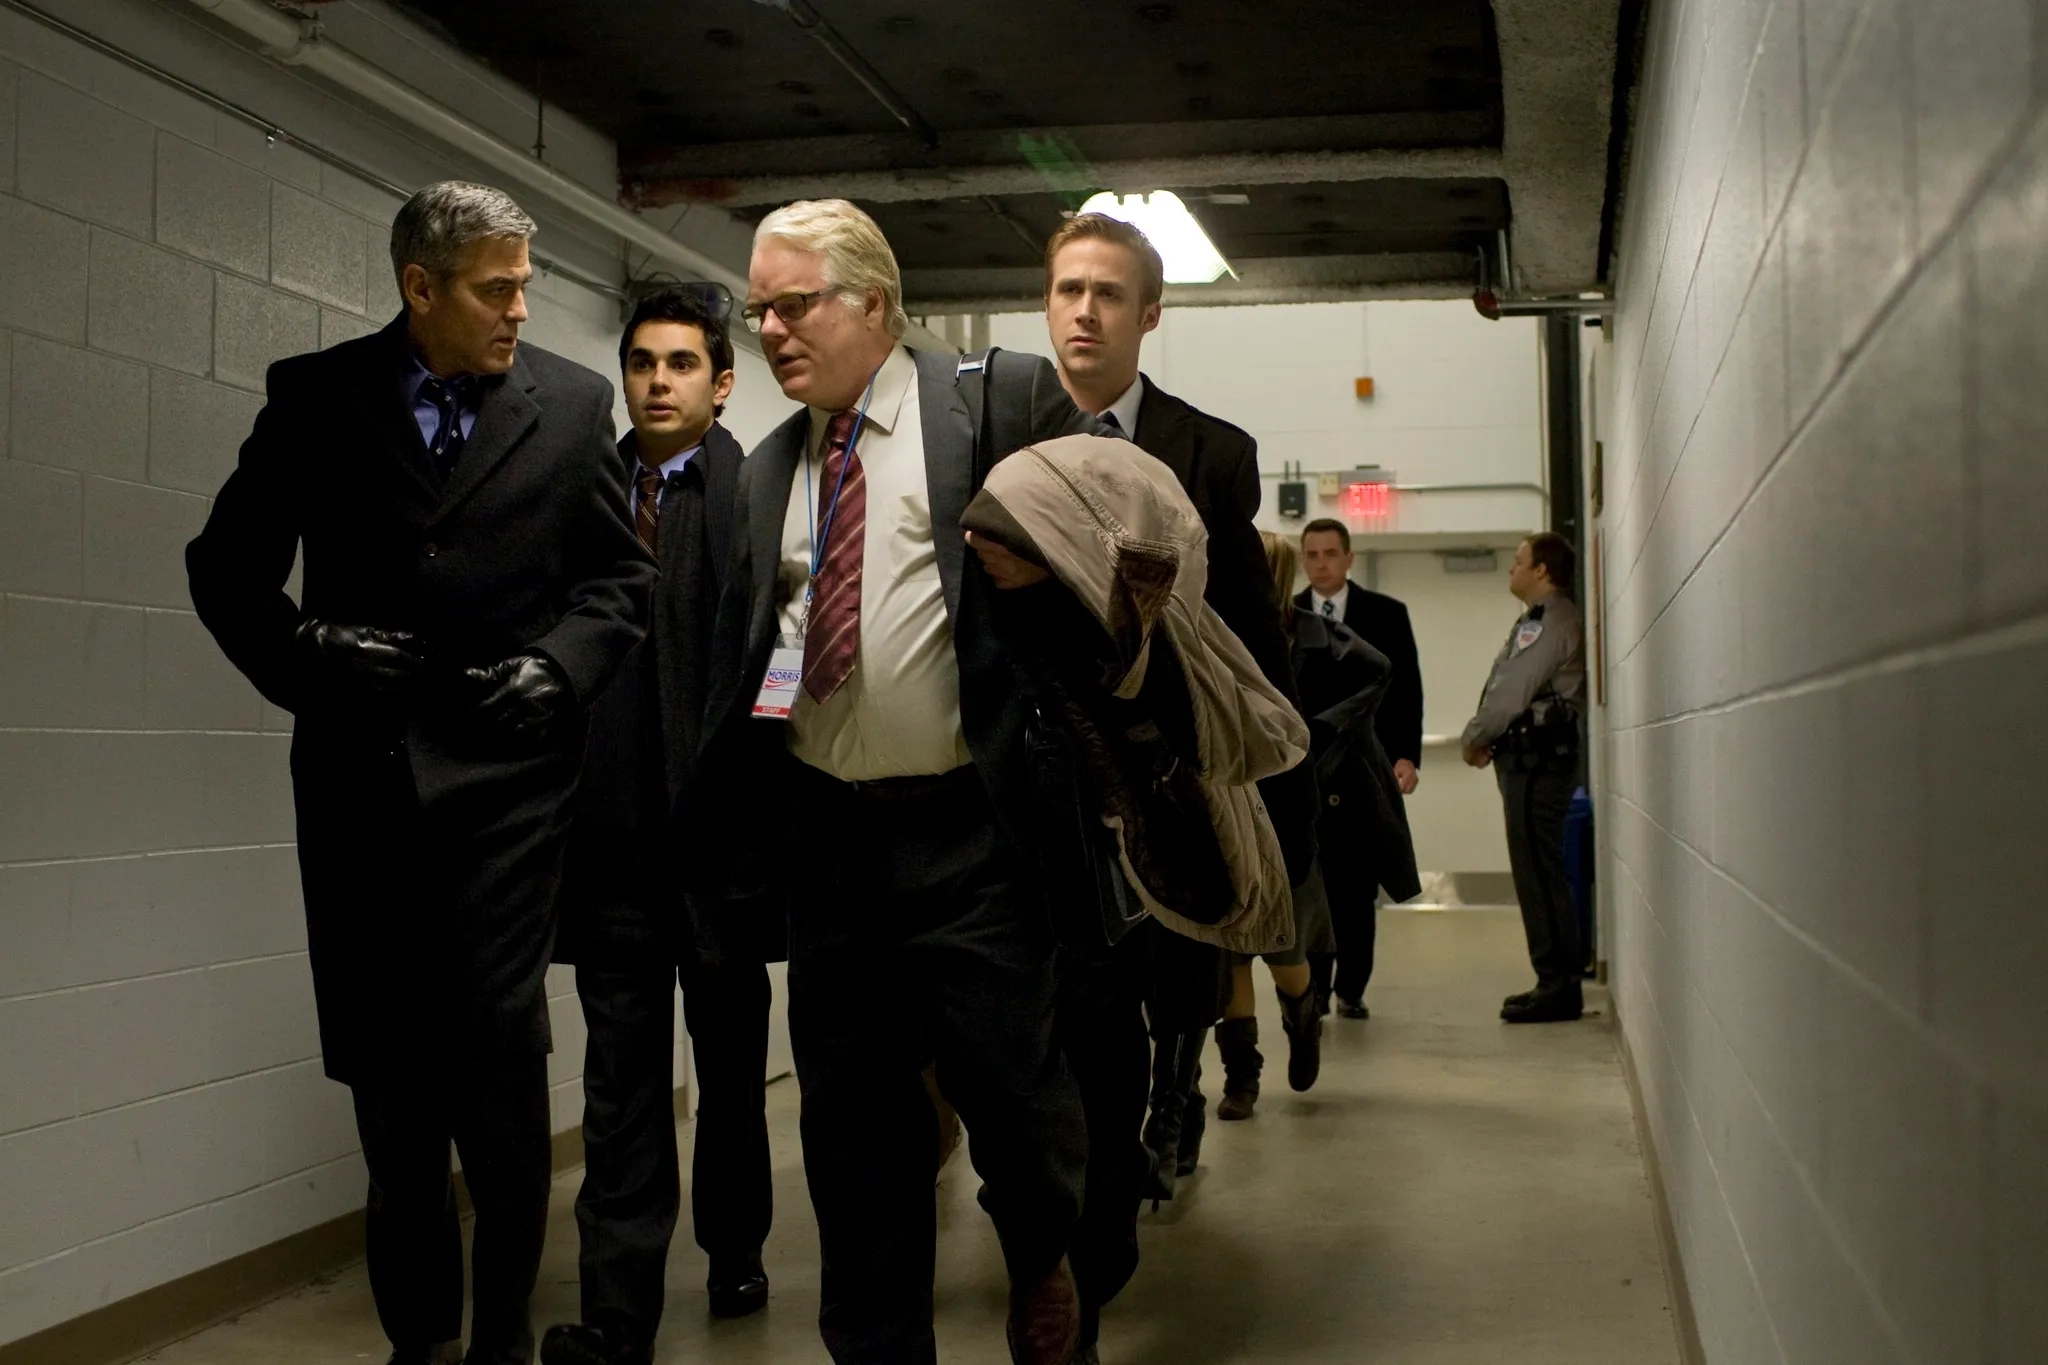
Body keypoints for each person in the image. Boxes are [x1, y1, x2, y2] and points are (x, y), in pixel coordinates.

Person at [184, 182, 655, 1365]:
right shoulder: (316, 396)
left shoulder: (569, 403)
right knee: (394, 1117)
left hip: (507, 796)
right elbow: (224, 569)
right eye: (495, 288)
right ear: (420, 288)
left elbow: (620, 587)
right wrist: (302, 650)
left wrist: (560, 667)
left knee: (499, 1097)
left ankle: (498, 1344)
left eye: (523, 285)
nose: (518, 308)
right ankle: (418, 1353)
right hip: (359, 795)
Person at [689, 199, 1098, 1365]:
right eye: (757, 308)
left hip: (974, 836)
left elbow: (1120, 569)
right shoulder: (770, 469)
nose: (769, 329)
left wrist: (1048, 581)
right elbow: (760, 660)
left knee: (1017, 1110)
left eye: (792, 303)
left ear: (872, 301)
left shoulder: (994, 403)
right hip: (834, 848)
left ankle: (1039, 1250)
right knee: (852, 1140)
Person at [1037, 213, 1319, 1357]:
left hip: (1170, 783)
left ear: (1148, 315)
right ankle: (1083, 1258)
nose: (1083, 312)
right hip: (1049, 800)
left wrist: (1271, 803)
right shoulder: (1000, 436)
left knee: (1173, 976)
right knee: (1077, 1033)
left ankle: (1173, 1097)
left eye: (1107, 293)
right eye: (1065, 289)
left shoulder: (1209, 451)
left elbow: (1251, 637)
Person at [541, 290, 771, 1365]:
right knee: (621, 1092)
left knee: (728, 1077)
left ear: (721, 383)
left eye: (683, 363)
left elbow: (782, 663)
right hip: (611, 853)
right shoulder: (580, 493)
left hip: (721, 852)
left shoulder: (759, 497)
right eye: (642, 363)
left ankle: (734, 1249)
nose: (659, 381)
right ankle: (616, 1315)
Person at [1215, 535, 1421, 1118]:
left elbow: (1380, 672)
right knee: (1231, 949)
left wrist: (1320, 733)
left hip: (1292, 805)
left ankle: (1304, 1018)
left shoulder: (1318, 635)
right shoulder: (1221, 632)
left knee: (1285, 947)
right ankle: (1241, 1077)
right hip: (1233, 802)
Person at [1297, 517, 1424, 1020]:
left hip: (1364, 768)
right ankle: (1315, 990)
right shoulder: (1288, 617)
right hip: (1308, 771)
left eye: (1330, 553)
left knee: (1356, 883)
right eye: (1312, 554)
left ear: (1349, 558)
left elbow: (1407, 689)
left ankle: (1351, 986)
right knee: (1313, 883)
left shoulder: (1386, 615)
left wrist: (1407, 754)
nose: (1321, 563)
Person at [1461, 533, 1587, 1024]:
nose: (1511, 571)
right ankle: (1553, 981)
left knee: (1539, 873)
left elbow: (1510, 692)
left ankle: (1558, 986)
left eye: (1518, 563)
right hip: (1530, 761)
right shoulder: (1539, 620)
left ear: (1541, 571)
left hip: (1538, 766)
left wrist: (1474, 737)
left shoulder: (1550, 622)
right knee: (1536, 871)